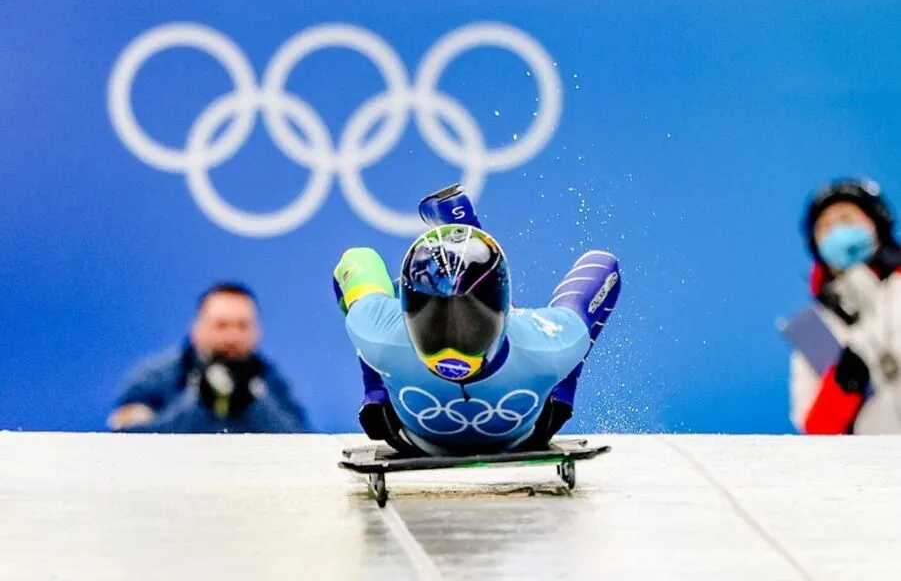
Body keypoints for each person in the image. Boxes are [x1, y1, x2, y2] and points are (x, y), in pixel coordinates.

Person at [332, 184, 621, 456]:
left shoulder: (378, 333)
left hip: (407, 431)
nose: (453, 338)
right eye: (433, 320)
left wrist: (375, 392)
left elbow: (355, 260)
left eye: (474, 321)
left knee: (365, 265)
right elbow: (604, 267)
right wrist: (563, 392)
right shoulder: (550, 347)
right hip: (525, 430)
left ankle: (377, 394)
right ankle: (463, 226)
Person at [108, 282, 311, 433]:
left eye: (242, 326)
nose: (232, 337)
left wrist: (253, 399)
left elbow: (301, 441)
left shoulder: (270, 378)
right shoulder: (158, 376)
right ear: (197, 329)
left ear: (257, 331)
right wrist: (199, 399)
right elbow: (124, 439)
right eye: (221, 325)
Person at [790, 177, 901, 434]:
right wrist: (843, 387)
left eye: (847, 219)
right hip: (875, 465)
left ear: (877, 223)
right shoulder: (815, 329)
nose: (837, 232)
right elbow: (813, 430)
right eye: (825, 227)